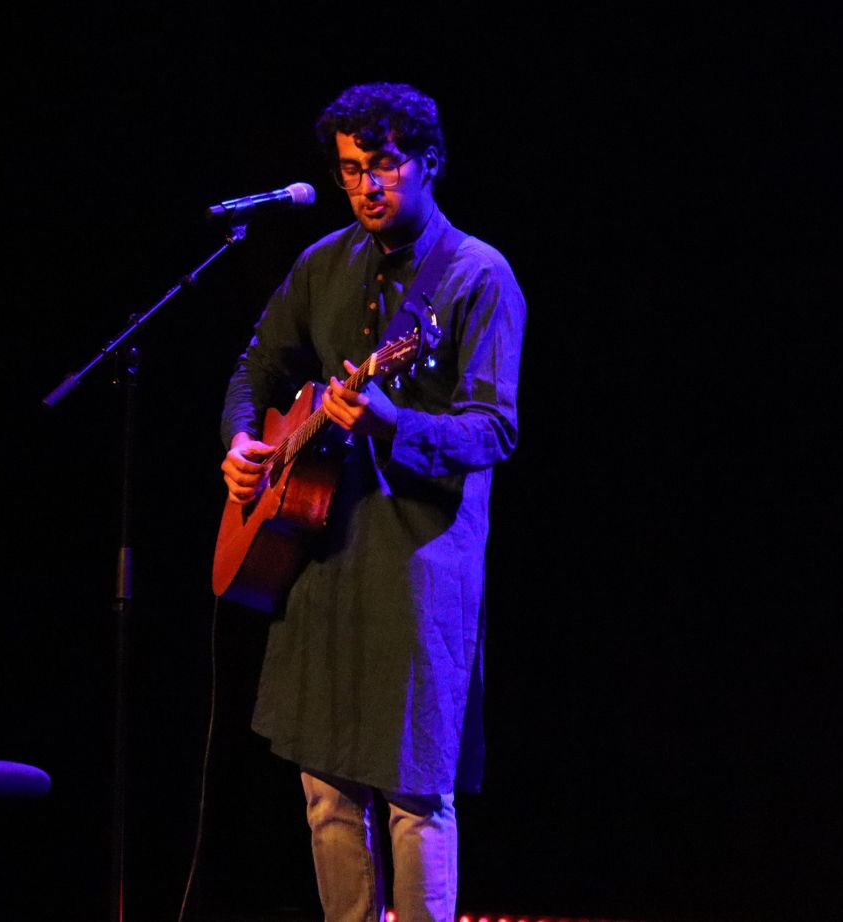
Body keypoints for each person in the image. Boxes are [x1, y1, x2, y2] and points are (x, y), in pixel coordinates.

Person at [218, 82, 523, 922]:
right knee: (324, 789)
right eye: (352, 170)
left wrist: (392, 420)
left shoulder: (477, 276)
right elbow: (255, 368)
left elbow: (494, 432)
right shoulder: (323, 263)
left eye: (384, 165)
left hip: (419, 563)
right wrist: (242, 442)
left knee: (414, 789)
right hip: (318, 550)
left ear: (428, 164)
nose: (366, 187)